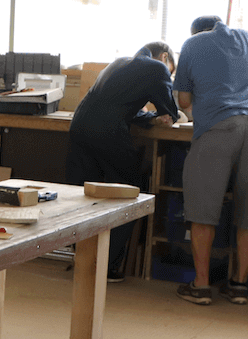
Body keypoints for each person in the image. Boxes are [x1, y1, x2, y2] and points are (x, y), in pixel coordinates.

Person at [173, 14, 248, 305]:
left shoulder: (193, 44)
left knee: (203, 210)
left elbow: (183, 101)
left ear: (196, 32)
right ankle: (239, 286)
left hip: (217, 129)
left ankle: (202, 286)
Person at [66, 41, 179, 282]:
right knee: (129, 193)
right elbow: (170, 110)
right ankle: (106, 267)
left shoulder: (118, 63)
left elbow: (121, 106)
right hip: (107, 133)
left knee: (87, 195)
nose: (168, 76)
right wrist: (165, 115)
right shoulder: (157, 68)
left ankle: (83, 261)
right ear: (165, 57)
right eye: (171, 71)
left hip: (79, 126)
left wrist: (149, 118)